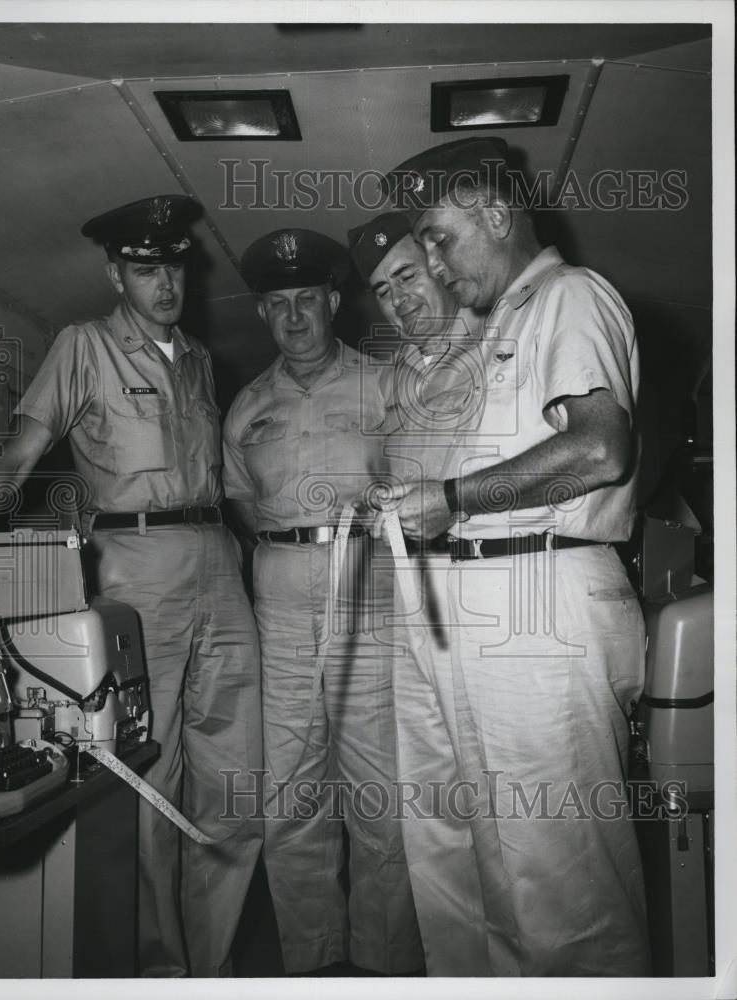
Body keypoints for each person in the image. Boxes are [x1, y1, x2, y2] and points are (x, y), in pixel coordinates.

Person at [363, 138, 651, 976]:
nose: (437, 266)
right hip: (474, 606)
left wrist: (450, 501)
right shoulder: (498, 330)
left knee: (562, 884)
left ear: (497, 214)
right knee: (462, 863)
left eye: (441, 240)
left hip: (543, 605)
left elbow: (600, 449)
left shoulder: (570, 296)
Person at [0, 195, 263, 978]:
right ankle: (163, 972)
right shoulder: (83, 346)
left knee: (237, 774)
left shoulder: (199, 358)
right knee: (149, 775)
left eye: (173, 265)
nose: (163, 282)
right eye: (143, 268)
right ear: (114, 273)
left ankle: (218, 964)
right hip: (136, 569)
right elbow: (14, 466)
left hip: (220, 563)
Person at [222, 228, 422, 976]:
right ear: (264, 314)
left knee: (379, 792)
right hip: (279, 596)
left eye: (308, 298)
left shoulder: (385, 384)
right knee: (291, 791)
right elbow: (240, 502)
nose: (295, 316)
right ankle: (312, 964)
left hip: (367, 589)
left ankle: (383, 967)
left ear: (335, 301)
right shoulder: (246, 406)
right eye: (278, 304)